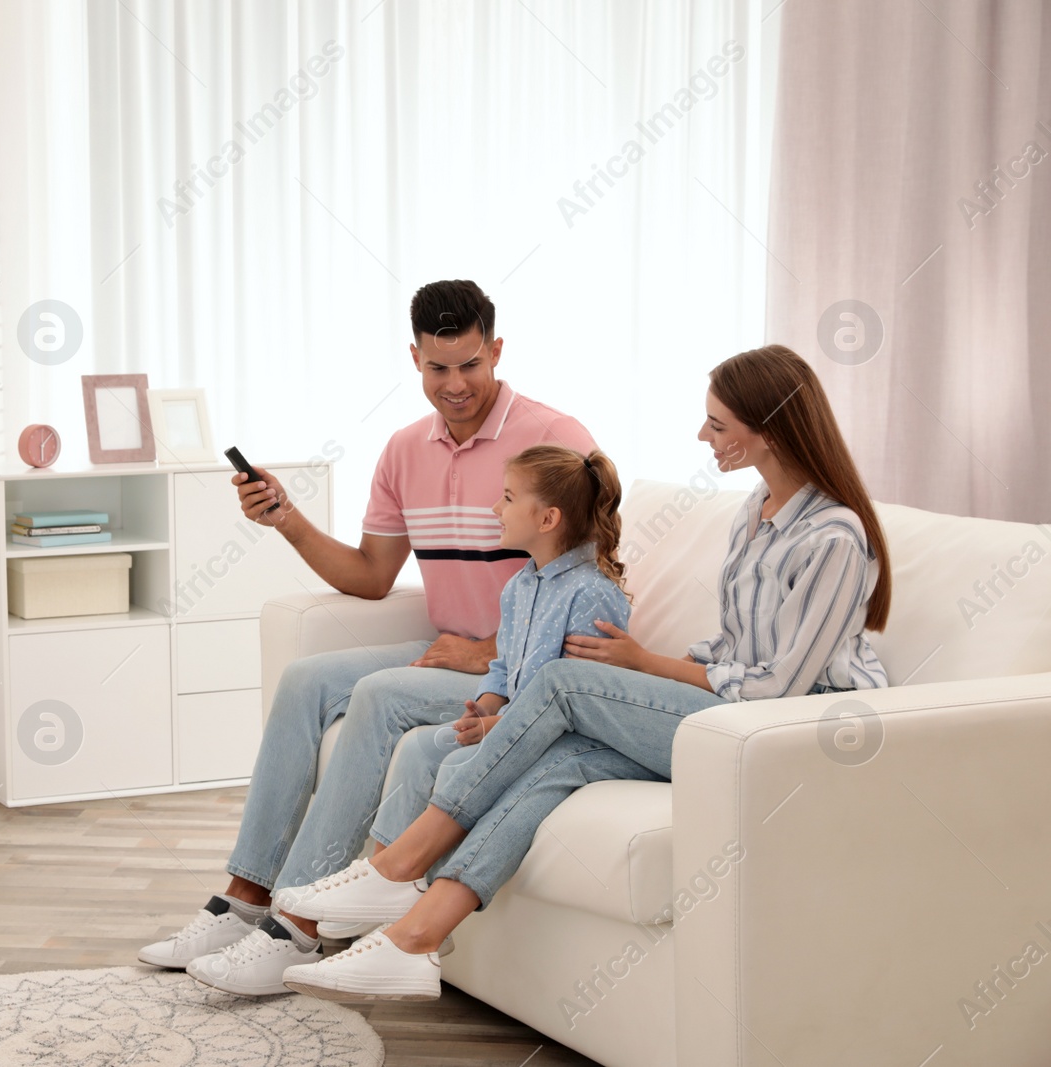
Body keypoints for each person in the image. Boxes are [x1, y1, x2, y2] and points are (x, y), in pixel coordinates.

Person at [279, 344, 893, 1001]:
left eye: (716, 424)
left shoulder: (833, 537)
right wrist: (659, 677)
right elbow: (735, 644)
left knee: (564, 682)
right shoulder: (757, 511)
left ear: (765, 429)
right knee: (559, 759)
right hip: (724, 716)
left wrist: (643, 665)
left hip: (786, 735)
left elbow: (780, 687)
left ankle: (397, 862)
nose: (702, 436)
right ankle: (414, 939)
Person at [136, 280, 598, 997]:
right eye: (437, 369)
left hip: (515, 670)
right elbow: (371, 575)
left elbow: (594, 585)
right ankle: (245, 898)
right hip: (451, 653)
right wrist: (285, 518)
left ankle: (294, 929)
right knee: (307, 678)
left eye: (470, 365)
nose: (455, 386)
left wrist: (488, 653)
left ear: (497, 351)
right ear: (414, 358)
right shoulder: (404, 450)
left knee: (379, 697)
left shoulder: (555, 440)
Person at [270, 443, 639, 937]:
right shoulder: (522, 586)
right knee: (427, 744)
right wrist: (483, 706)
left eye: (507, 498)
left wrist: (497, 725)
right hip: (512, 725)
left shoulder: (591, 592)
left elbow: (579, 699)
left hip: (553, 736)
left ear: (548, 518)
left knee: (439, 752)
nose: (495, 509)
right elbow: (505, 669)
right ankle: (378, 883)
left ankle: (380, 885)